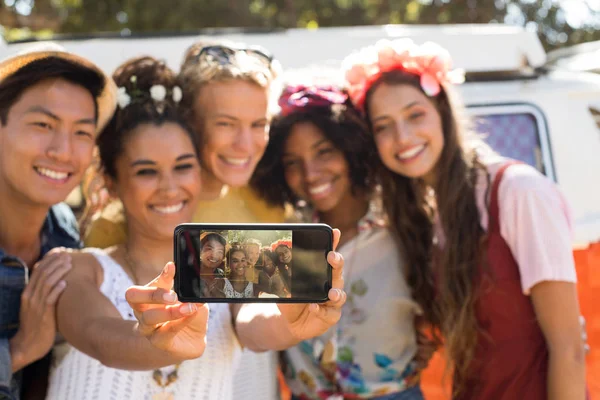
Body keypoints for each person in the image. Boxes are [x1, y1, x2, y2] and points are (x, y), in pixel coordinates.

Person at [341, 39, 588, 399]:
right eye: (383, 126)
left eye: (415, 115)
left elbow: (569, 349)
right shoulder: (430, 213)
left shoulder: (517, 191)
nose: (403, 137)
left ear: (442, 111)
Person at [82, 39, 287, 400]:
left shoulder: (268, 206)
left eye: (259, 124)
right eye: (226, 123)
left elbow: (255, 317)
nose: (245, 144)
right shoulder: (125, 222)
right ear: (190, 120)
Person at [252, 85, 424, 399]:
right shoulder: (281, 237)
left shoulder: (403, 225)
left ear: (351, 147)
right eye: (292, 162)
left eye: (324, 151)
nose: (310, 173)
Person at [0, 43, 117, 400]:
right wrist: (19, 350)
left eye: (82, 132)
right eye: (43, 124)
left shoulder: (64, 231)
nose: (64, 151)